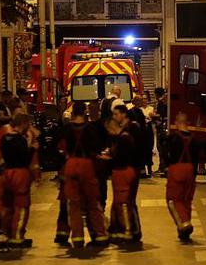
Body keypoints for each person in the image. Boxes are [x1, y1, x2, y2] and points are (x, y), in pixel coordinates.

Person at [61, 111, 110, 248]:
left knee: (74, 205)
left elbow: (61, 147)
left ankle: (77, 238)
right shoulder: (89, 129)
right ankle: (100, 235)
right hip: (86, 165)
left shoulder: (67, 129)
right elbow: (96, 147)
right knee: (92, 203)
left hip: (71, 164)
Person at [54, 101, 87, 246]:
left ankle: (63, 234)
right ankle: (97, 235)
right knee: (88, 203)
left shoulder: (65, 129)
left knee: (66, 204)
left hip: (67, 167)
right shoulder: (89, 129)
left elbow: (58, 148)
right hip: (86, 168)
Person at [0, 114, 35, 246]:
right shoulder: (20, 140)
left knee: (8, 205)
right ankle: (18, 235)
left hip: (7, 173)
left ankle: (5, 233)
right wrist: (31, 148)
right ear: (23, 124)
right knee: (21, 205)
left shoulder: (4, 138)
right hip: (20, 173)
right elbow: (25, 159)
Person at [109, 117, 142, 243]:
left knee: (123, 202)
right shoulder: (125, 137)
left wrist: (108, 157)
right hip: (127, 172)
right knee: (125, 201)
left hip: (122, 172)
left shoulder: (123, 139)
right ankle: (128, 230)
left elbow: (120, 158)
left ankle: (127, 230)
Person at [165, 112, 197, 240]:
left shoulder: (173, 138)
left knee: (173, 200)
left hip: (176, 170)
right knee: (186, 201)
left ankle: (184, 223)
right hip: (190, 170)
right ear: (188, 124)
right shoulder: (194, 140)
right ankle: (183, 231)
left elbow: (167, 154)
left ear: (177, 123)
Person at [130, 96, 155, 177]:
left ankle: (141, 170)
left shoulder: (133, 111)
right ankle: (142, 171)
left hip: (138, 136)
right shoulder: (136, 111)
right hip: (139, 136)